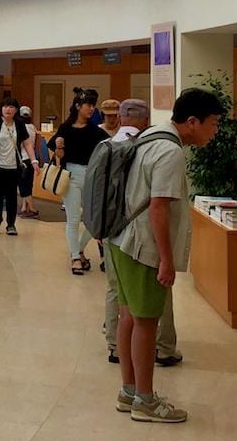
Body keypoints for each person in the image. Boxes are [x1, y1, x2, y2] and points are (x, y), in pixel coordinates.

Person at [110, 87, 223, 423]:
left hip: (121, 239)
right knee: (146, 322)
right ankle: (145, 400)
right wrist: (166, 259)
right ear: (192, 122)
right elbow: (158, 208)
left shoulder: (149, 138)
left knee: (129, 317)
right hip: (142, 245)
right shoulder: (169, 152)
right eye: (213, 124)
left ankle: (128, 391)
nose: (215, 131)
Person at [101, 100, 180, 366]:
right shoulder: (149, 146)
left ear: (121, 118)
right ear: (146, 120)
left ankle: (114, 345)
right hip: (138, 237)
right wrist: (167, 258)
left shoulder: (110, 145)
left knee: (117, 294)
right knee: (153, 301)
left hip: (111, 231)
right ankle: (164, 347)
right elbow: (158, 206)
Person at [49, 89, 106, 275]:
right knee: (73, 219)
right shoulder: (65, 129)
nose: (91, 109)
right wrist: (58, 149)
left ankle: (79, 249)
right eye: (88, 105)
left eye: (93, 105)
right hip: (71, 175)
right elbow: (59, 156)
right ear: (78, 106)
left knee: (93, 220)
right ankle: (75, 257)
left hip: (91, 176)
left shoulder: (96, 132)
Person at [0, 98, 38, 235]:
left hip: (13, 167)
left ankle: (11, 224)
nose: (8, 109)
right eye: (5, 106)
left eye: (11, 107)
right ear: (1, 109)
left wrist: (34, 161)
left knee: (11, 196)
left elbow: (27, 143)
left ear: (16, 110)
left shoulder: (19, 124)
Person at [16, 105, 39, 217]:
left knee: (23, 185)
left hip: (22, 159)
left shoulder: (19, 127)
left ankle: (32, 208)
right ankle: (25, 207)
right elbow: (36, 144)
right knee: (28, 184)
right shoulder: (33, 127)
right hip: (31, 158)